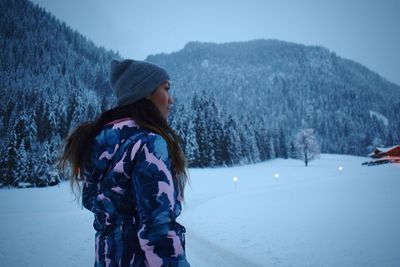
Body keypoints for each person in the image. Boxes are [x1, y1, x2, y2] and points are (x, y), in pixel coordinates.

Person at [58, 59, 190, 267]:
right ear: (144, 93)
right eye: (166, 89)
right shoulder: (149, 143)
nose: (171, 100)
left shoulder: (97, 141)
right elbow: (158, 231)